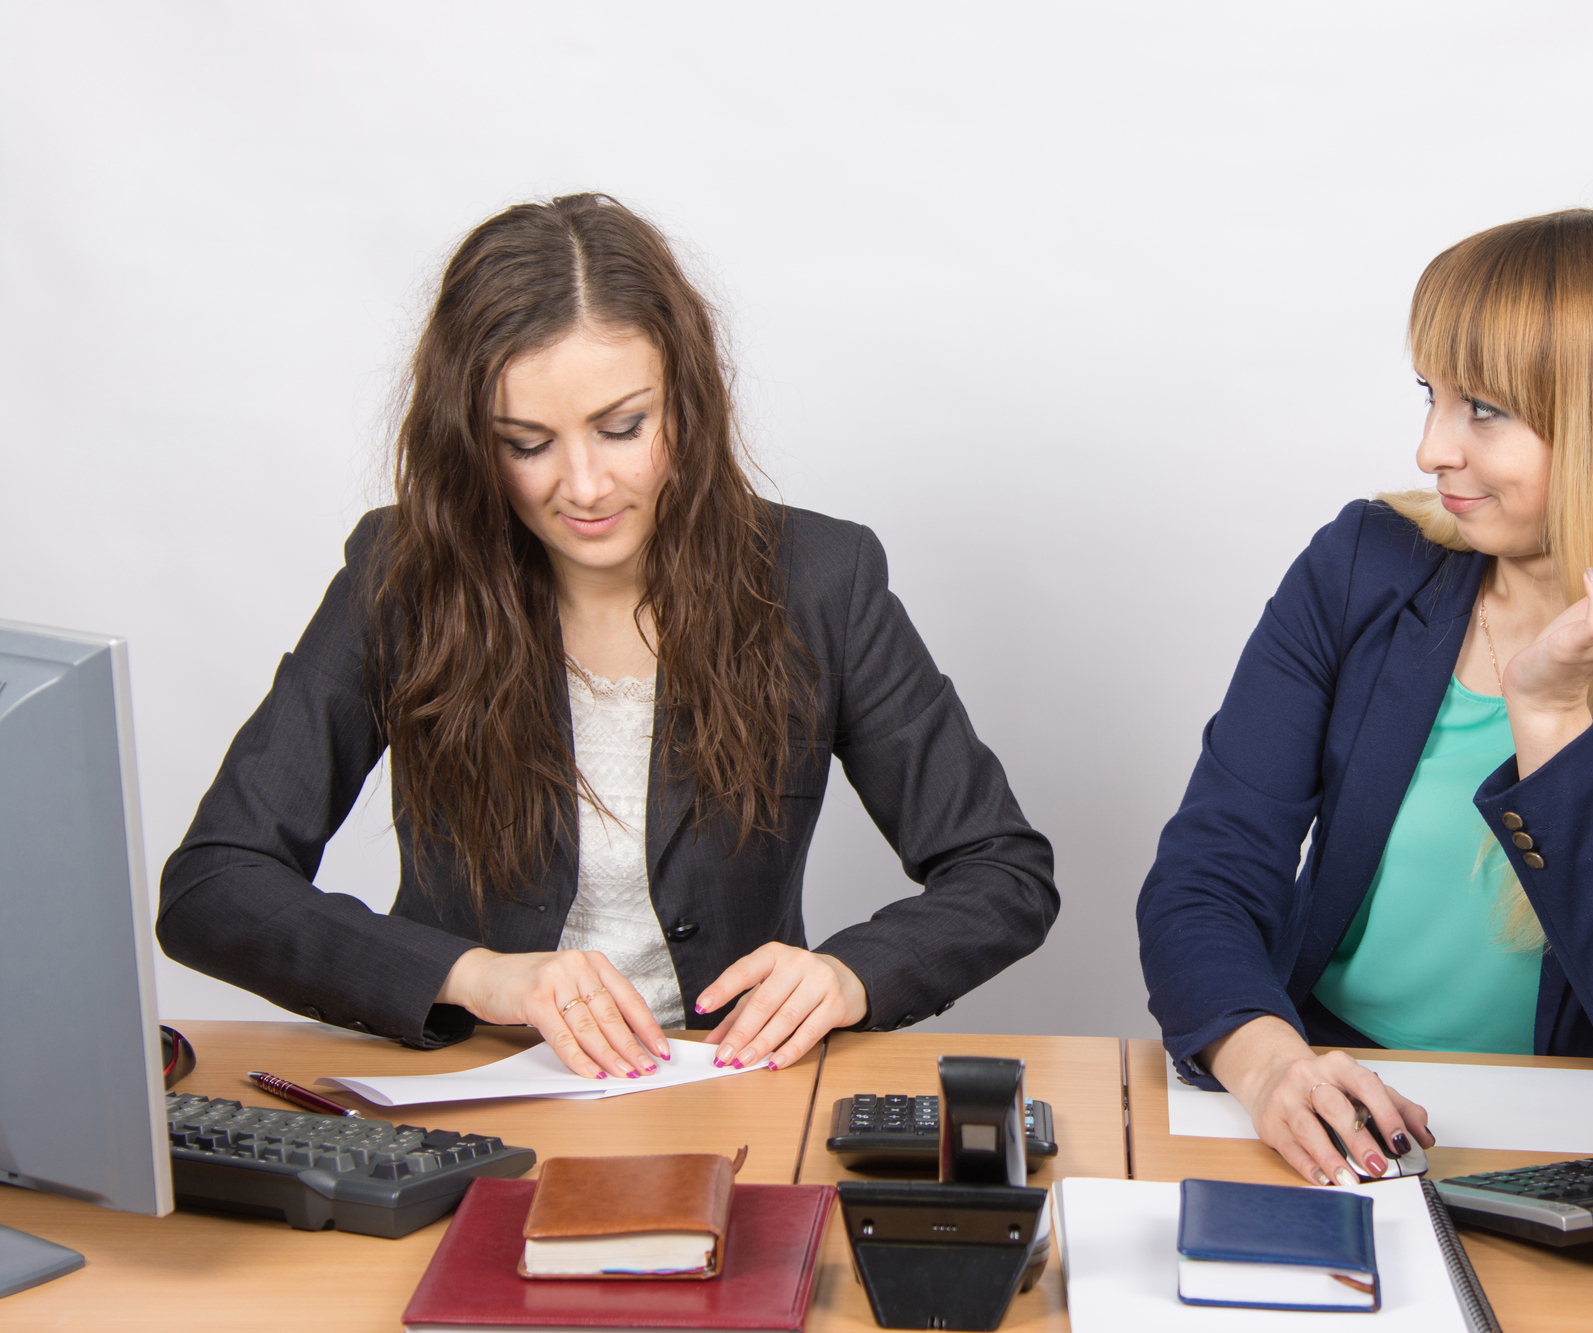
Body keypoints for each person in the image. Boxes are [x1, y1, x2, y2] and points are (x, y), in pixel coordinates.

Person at [158, 193, 1058, 1080]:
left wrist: (849, 974)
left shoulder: (821, 577)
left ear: (689, 404)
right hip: (477, 1085)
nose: (583, 485)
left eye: (623, 427)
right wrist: (475, 976)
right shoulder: (400, 576)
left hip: (729, 1086)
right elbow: (213, 885)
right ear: (473, 441)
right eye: (526, 443)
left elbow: (999, 868)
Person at [1136, 209, 1593, 1186]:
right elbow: (1206, 873)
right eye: (1430, 397)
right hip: (1339, 1092)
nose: (1431, 448)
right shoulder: (1361, 566)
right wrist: (1273, 1066)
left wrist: (1549, 710)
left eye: (1481, 410)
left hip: (1580, 1137)